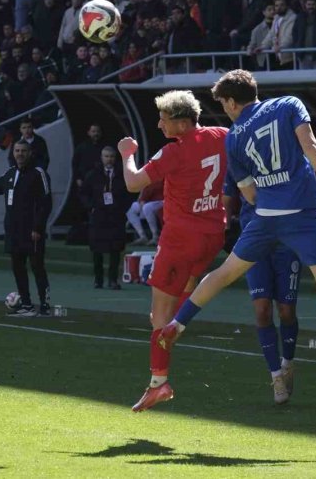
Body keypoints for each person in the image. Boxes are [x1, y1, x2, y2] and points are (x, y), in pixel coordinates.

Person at [148, 70, 316, 411]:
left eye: (224, 105)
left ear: (232, 101)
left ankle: (177, 324)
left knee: (225, 272)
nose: (226, 111)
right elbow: (310, 145)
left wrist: (267, 201)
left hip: (265, 215)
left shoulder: (234, 137)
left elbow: (247, 194)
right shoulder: (289, 104)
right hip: (304, 210)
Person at [116, 90, 228, 412]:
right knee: (183, 298)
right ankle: (177, 327)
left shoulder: (173, 152)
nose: (159, 125)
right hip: (212, 235)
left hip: (181, 239)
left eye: (164, 120)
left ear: (181, 123)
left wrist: (127, 153)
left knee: (158, 318)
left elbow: (133, 183)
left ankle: (158, 383)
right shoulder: (221, 135)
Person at [223, 172, 301, 404]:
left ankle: (288, 363)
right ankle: (276, 376)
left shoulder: (288, 153)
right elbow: (228, 197)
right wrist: (225, 227)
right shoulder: (240, 155)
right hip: (254, 240)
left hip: (287, 241)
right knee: (262, 310)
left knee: (287, 310)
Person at [0, 140, 53, 317]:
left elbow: (45, 204)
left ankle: (45, 305)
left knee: (37, 267)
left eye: (23, 151)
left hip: (32, 231)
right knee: (18, 267)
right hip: (13, 230)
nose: (20, 154)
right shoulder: (10, 173)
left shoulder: (38, 173)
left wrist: (38, 228)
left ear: (30, 152)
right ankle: (26, 305)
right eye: (17, 151)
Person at [82, 146, 131, 289]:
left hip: (116, 216)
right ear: (101, 158)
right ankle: (98, 279)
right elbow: (84, 193)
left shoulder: (122, 174)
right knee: (97, 249)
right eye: (106, 156)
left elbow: (130, 193)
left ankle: (113, 280)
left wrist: (123, 208)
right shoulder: (93, 175)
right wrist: (91, 206)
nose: (109, 159)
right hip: (98, 216)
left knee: (115, 249)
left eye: (111, 156)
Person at [126, 180, 164, 245]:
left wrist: (143, 199)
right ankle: (142, 236)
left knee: (147, 207)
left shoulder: (160, 174)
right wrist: (142, 200)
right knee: (131, 209)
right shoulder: (145, 175)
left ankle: (155, 236)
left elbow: (154, 187)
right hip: (148, 200)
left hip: (162, 200)